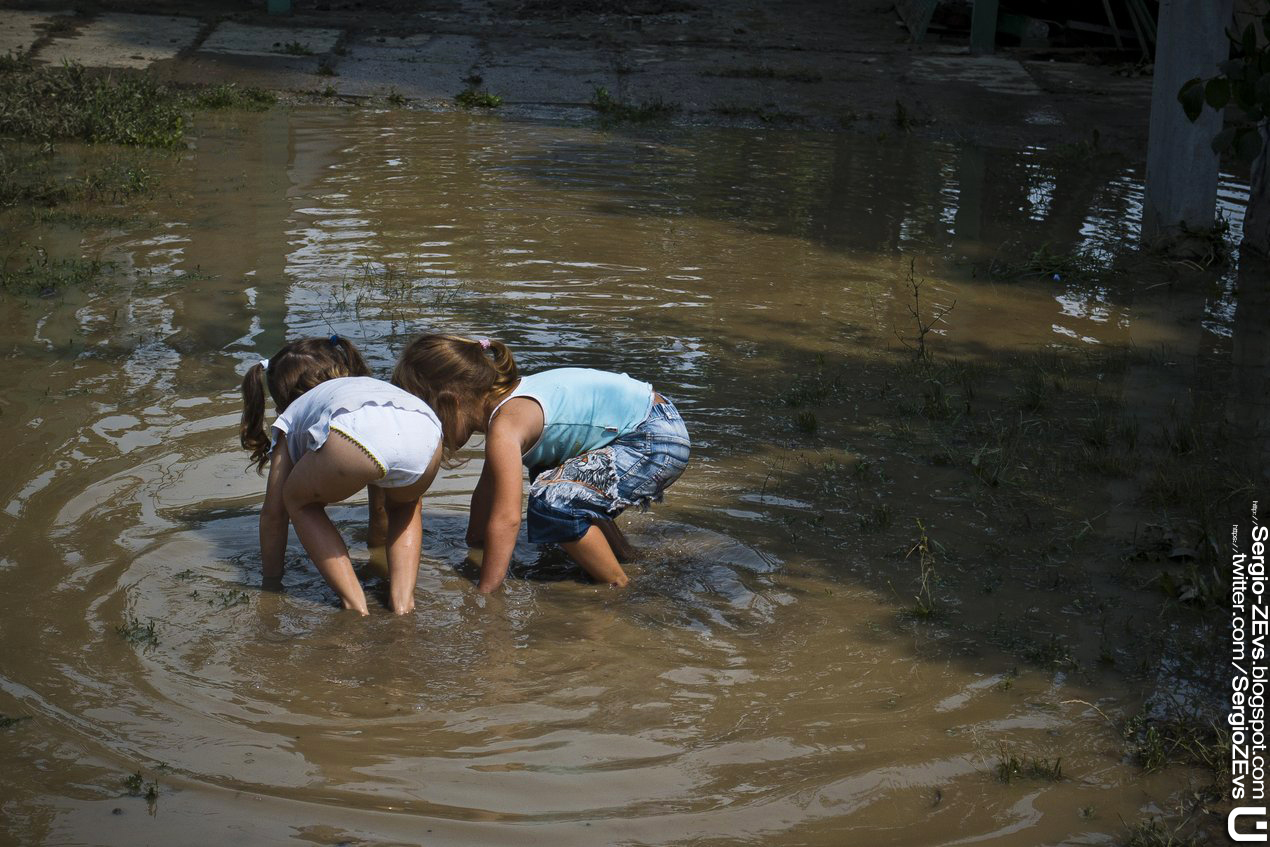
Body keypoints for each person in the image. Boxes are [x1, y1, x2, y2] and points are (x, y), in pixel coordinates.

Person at [392, 334, 689, 594]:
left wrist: (486, 593)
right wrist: (475, 541)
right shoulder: (507, 408)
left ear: (452, 402)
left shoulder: (505, 425)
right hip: (653, 424)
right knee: (552, 481)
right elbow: (488, 492)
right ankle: (625, 557)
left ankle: (617, 585)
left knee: (551, 502)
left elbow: (507, 519)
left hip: (652, 438)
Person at [239, 336, 443, 615]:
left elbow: (274, 514)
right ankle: (403, 603)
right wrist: (375, 548)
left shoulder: (296, 411)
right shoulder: (371, 386)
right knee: (405, 505)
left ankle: (355, 604)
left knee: (296, 500)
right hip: (426, 427)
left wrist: (271, 582)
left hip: (350, 430)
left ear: (283, 398)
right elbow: (381, 503)